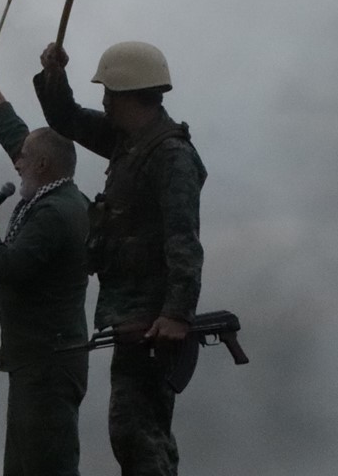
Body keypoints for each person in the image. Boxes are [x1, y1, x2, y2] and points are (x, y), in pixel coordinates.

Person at [32, 40, 206, 476]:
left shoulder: (171, 156)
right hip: (131, 315)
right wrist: (54, 76)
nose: (105, 100)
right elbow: (67, 119)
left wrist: (176, 314)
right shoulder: (129, 142)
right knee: (133, 433)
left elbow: (183, 241)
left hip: (152, 320)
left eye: (108, 91)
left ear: (126, 93)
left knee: (140, 435)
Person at [0, 58, 91, 476]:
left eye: (23, 159)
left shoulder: (53, 213)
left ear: (41, 166)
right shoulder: (56, 193)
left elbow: (8, 267)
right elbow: (21, 141)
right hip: (41, 361)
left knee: (46, 466)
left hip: (48, 365)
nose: (16, 163)